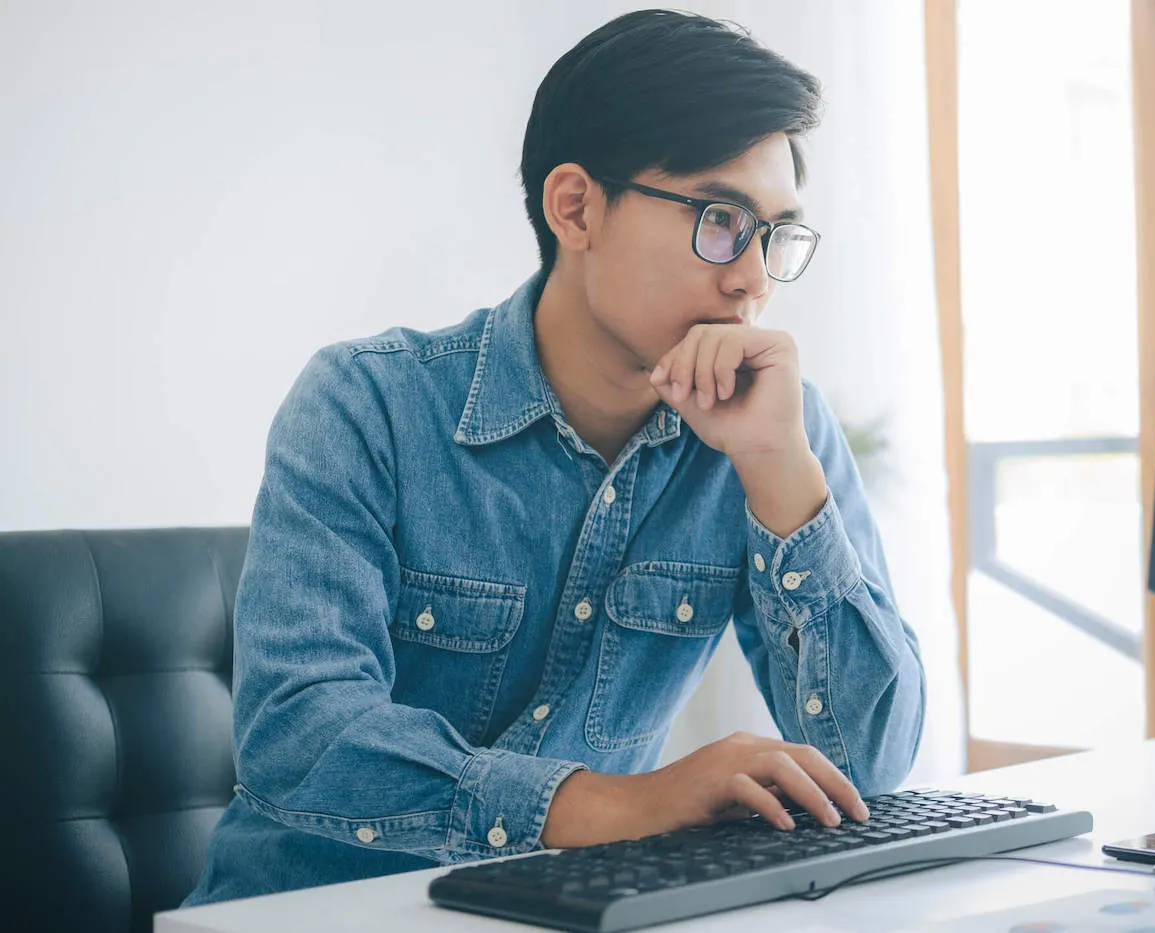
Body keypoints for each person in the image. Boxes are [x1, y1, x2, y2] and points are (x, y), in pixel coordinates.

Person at [183, 8, 925, 906]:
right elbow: (300, 735)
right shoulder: (365, 403)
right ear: (575, 207)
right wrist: (627, 804)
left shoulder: (772, 425)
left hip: (574, 917)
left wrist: (777, 472)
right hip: (313, 916)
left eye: (774, 235)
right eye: (722, 219)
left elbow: (872, 763)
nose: (753, 279)